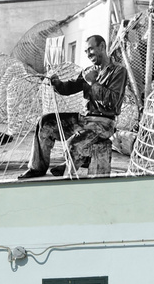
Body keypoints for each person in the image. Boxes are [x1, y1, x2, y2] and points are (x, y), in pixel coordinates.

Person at [16, 35, 127, 180]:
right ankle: (37, 168)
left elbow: (112, 101)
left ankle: (71, 167)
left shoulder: (118, 71)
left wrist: (93, 83)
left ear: (102, 47)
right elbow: (70, 87)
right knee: (45, 122)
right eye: (86, 51)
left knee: (73, 144)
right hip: (84, 119)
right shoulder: (89, 71)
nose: (88, 54)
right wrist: (57, 83)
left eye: (91, 49)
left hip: (104, 123)